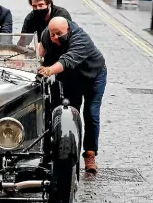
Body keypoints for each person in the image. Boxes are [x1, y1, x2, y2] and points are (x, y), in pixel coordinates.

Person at [37, 17, 107, 173]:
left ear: (68, 30)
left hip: (93, 76)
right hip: (71, 78)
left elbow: (67, 60)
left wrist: (48, 70)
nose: (54, 37)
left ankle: (90, 155)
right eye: (52, 33)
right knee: (69, 112)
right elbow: (41, 54)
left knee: (91, 112)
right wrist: (37, 63)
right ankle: (66, 153)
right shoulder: (47, 35)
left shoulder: (81, 38)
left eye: (59, 34)